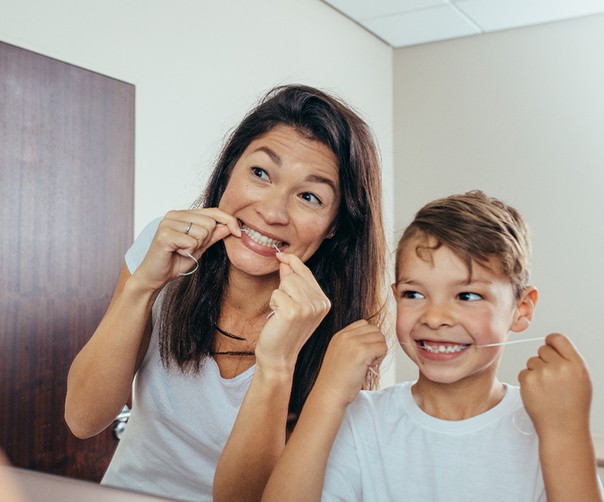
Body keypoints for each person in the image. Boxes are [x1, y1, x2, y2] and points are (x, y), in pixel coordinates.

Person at [64, 84, 387, 501]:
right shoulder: (163, 246)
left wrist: (278, 362)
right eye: (260, 173)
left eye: (309, 196)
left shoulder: (341, 338)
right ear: (229, 169)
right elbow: (83, 417)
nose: (271, 212)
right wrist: (143, 286)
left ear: (335, 226)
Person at [263, 190, 603, 502]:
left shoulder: (547, 426)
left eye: (467, 295)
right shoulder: (362, 420)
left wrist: (565, 431)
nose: (436, 317)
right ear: (396, 297)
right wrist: (327, 394)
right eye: (414, 294)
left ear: (522, 309)